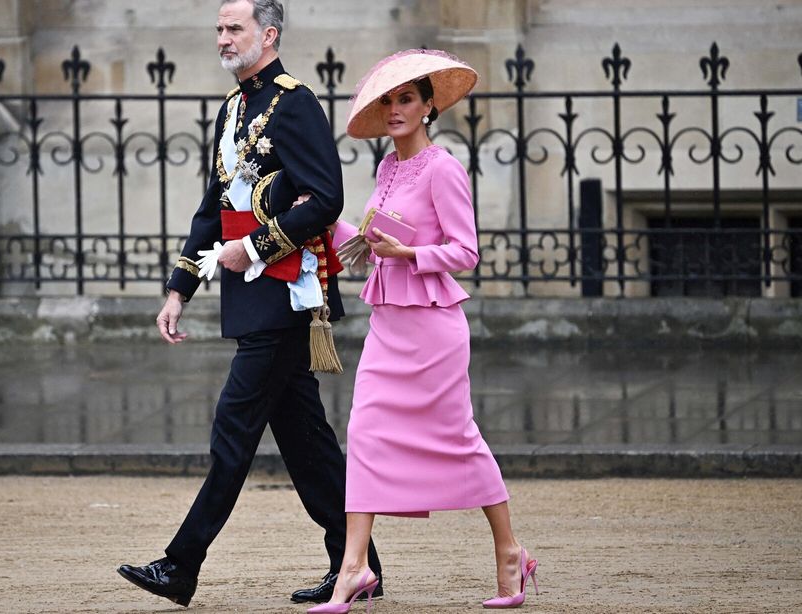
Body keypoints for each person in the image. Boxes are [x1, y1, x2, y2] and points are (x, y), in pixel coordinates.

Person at [116, 0, 382, 607]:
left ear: (268, 34)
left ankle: (181, 564)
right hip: (252, 295)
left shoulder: (297, 103)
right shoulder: (234, 107)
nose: (222, 38)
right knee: (308, 445)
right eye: (218, 28)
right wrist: (179, 288)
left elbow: (326, 199)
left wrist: (255, 248)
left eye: (233, 28)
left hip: (285, 293)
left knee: (232, 432)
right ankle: (358, 566)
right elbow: (214, 208)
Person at [307, 49, 539, 613]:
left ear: (429, 105)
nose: (395, 109)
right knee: (363, 433)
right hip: (388, 327)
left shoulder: (444, 167)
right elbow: (368, 248)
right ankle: (354, 568)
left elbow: (466, 252)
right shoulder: (386, 169)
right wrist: (317, 217)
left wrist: (408, 251)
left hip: (434, 331)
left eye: (406, 98)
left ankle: (510, 552)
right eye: (387, 100)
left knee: (459, 439)